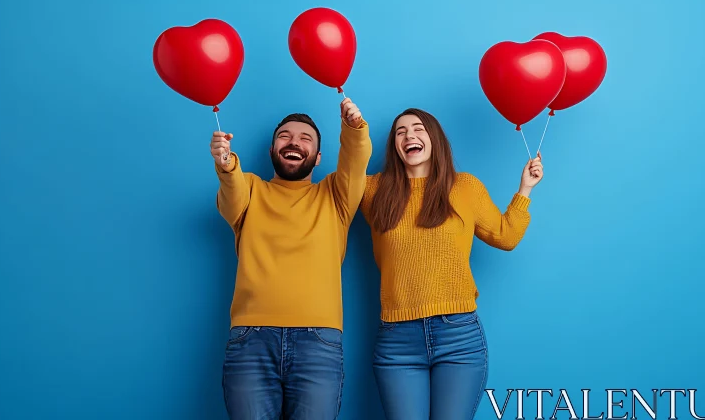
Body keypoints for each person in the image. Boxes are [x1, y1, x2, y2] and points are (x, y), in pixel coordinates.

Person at [358, 108, 544, 420]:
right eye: (400, 132)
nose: (409, 136)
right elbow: (344, 176)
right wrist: (354, 128)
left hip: (458, 336)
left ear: (434, 139)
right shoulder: (374, 190)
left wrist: (524, 189)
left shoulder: (464, 187)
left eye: (418, 129)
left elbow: (506, 236)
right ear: (393, 145)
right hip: (397, 339)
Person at [210, 98, 372, 420]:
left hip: (318, 343)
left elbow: (355, 164)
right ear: (272, 151)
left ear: (318, 157)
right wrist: (227, 164)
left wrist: (354, 129)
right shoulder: (251, 190)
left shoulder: (335, 197)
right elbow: (231, 193)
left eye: (305, 138)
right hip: (250, 340)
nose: (294, 142)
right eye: (284, 136)